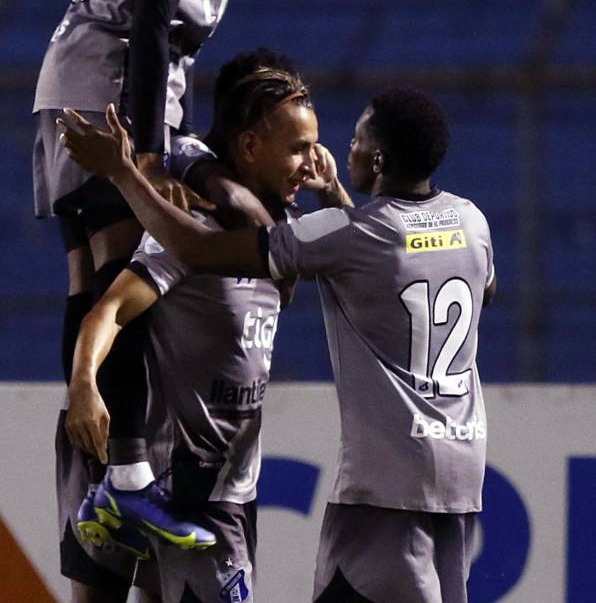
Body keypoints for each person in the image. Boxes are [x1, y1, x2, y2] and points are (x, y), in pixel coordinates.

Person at [60, 87, 496, 603]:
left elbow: (200, 248)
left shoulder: (345, 233)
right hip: (463, 474)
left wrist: (124, 173)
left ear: (377, 158)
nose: (336, 152)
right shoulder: (470, 219)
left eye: (355, 139)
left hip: (388, 486)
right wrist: (336, 193)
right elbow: (472, 287)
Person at [33, 0, 283, 602]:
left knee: (102, 271)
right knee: (128, 256)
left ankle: (100, 445)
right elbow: (145, 20)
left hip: (125, 100)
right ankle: (127, 476)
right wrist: (140, 157)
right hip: (101, 96)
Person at [64, 57, 350, 603]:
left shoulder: (282, 230)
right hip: (185, 491)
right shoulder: (196, 229)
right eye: (296, 148)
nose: (308, 160)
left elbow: (355, 257)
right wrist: (84, 383)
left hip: (230, 486)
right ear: (247, 147)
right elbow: (112, 311)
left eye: (313, 146)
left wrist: (331, 191)